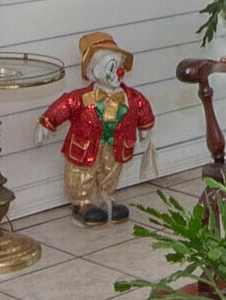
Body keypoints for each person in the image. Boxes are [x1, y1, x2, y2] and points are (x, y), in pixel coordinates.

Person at [39, 31, 153, 225]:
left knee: (111, 170)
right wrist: (48, 123)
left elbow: (142, 108)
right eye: (112, 67)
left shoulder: (130, 97)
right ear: (93, 72)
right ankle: (81, 202)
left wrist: (145, 127)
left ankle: (105, 196)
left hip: (115, 143)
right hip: (85, 146)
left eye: (119, 67)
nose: (118, 72)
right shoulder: (81, 98)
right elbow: (64, 106)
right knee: (82, 172)